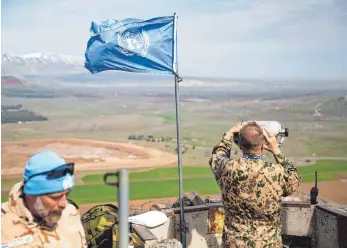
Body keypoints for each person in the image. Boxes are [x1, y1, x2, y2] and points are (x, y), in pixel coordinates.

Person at [209, 122, 301, 248]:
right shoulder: (276, 172)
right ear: (263, 144)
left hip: (235, 244)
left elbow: (217, 156)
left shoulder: (227, 168)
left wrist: (229, 134)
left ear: (240, 144)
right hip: (269, 244)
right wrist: (276, 150)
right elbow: (294, 179)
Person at [1, 151, 87, 248]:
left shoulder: (70, 212)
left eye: (67, 194)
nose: (64, 204)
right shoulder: (3, 226)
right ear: (32, 194)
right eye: (55, 197)